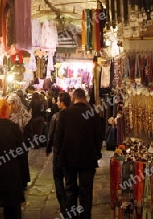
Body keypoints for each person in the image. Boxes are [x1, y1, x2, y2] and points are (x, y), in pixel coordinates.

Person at [54, 88, 102, 219]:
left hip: (68, 159)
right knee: (86, 191)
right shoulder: (93, 113)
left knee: (70, 190)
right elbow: (98, 137)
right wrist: (97, 154)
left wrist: (57, 157)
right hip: (88, 158)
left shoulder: (64, 114)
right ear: (84, 98)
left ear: (73, 98)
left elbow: (58, 138)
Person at [46, 91, 71, 215]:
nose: (56, 102)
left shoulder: (56, 116)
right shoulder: (72, 116)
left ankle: (63, 205)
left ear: (62, 103)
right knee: (69, 178)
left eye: (57, 100)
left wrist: (48, 148)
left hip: (58, 152)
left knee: (58, 178)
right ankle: (69, 204)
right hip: (70, 151)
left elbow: (50, 135)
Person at [8, 93, 32, 189]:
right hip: (11, 146)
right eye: (9, 104)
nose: (11, 106)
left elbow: (29, 134)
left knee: (22, 164)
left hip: (22, 146)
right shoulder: (8, 117)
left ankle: (23, 183)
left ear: (18, 103)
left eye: (13, 103)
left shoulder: (25, 116)